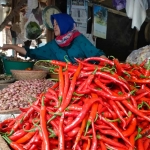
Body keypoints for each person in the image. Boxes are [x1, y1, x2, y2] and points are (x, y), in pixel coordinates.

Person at [1, 13, 106, 63]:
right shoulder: (54, 45)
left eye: (57, 24)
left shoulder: (79, 39)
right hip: (64, 85)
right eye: (54, 24)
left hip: (84, 83)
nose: (54, 27)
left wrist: (111, 68)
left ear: (65, 24)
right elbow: (33, 52)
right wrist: (12, 46)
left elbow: (97, 55)